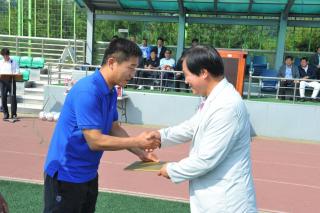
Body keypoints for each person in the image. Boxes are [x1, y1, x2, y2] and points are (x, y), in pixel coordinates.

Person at [43, 38, 161, 213]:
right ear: (112, 62)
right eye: (131, 67)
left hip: (89, 174)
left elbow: (114, 127)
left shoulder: (111, 90)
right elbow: (95, 141)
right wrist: (137, 141)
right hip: (66, 175)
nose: (133, 73)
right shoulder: (88, 91)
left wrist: (141, 153)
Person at [155, 46, 257, 212]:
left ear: (203, 73)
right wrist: (160, 137)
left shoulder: (227, 106)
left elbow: (206, 160)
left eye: (187, 74)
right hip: (213, 198)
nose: (186, 80)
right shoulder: (212, 99)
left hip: (227, 203)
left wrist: (171, 169)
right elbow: (192, 126)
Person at [0, 48, 19, 120]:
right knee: (3, 97)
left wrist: (14, 74)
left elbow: (17, 71)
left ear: (8, 55)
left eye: (6, 55)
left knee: (13, 97)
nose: (5, 57)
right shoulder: (0, 62)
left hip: (11, 81)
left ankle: (14, 114)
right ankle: (5, 114)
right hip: (2, 82)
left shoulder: (13, 62)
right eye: (4, 56)